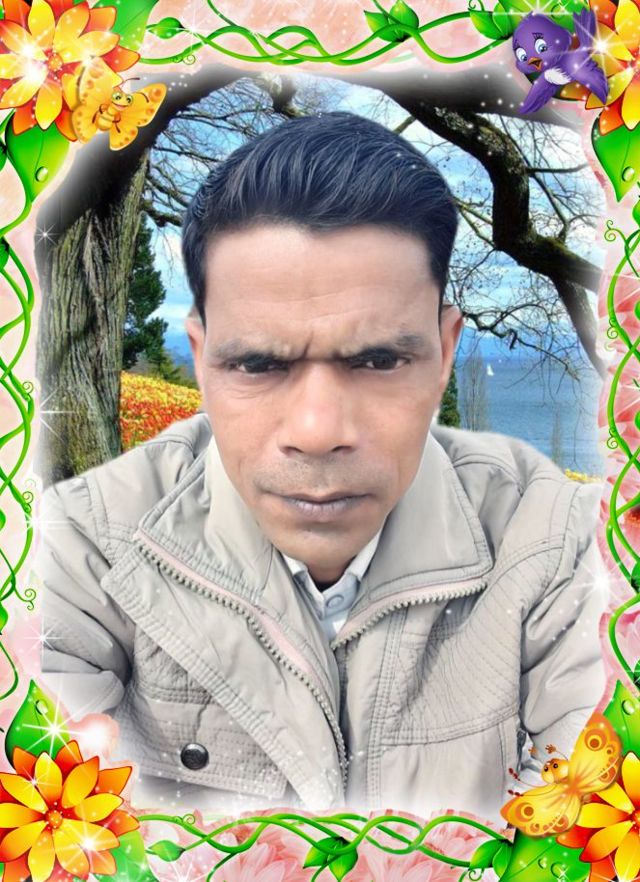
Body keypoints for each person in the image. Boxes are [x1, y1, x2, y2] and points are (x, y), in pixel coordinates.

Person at [37, 111, 606, 820]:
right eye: (257, 364)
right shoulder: (81, 549)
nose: (317, 432)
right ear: (203, 361)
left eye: (379, 360)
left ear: (445, 353)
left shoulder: (560, 547)